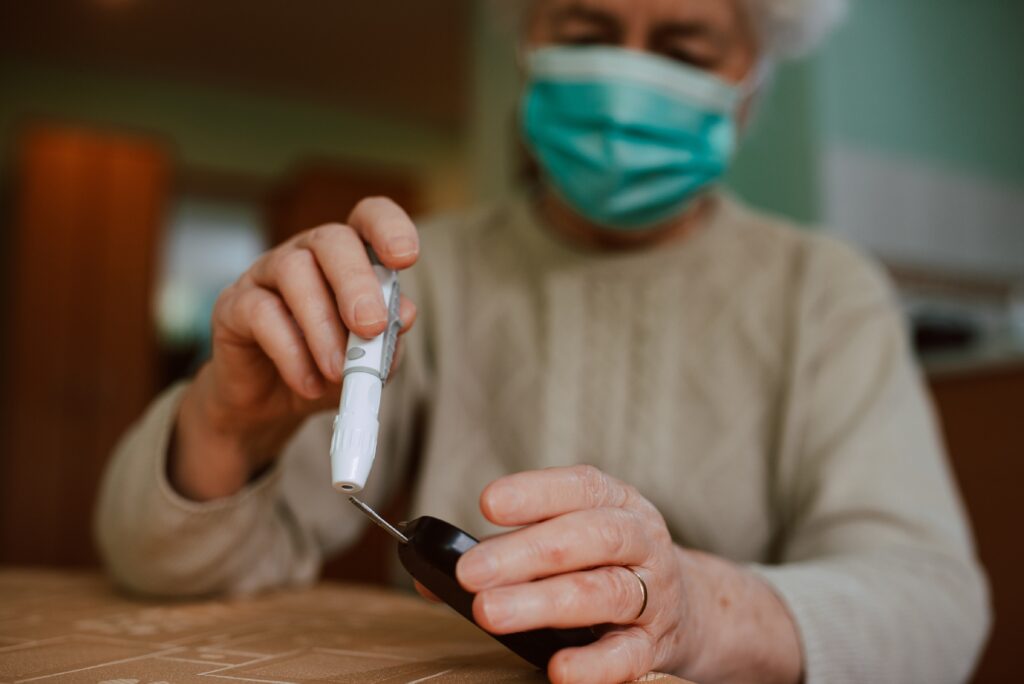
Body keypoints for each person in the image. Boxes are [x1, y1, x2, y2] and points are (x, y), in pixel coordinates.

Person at [95, 0, 991, 682]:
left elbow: (938, 611)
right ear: (528, 45)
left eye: (683, 50)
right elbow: (156, 566)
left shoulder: (826, 293)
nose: (627, 77)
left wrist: (706, 615)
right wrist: (226, 425)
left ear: (753, 84)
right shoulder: (416, 277)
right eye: (588, 31)